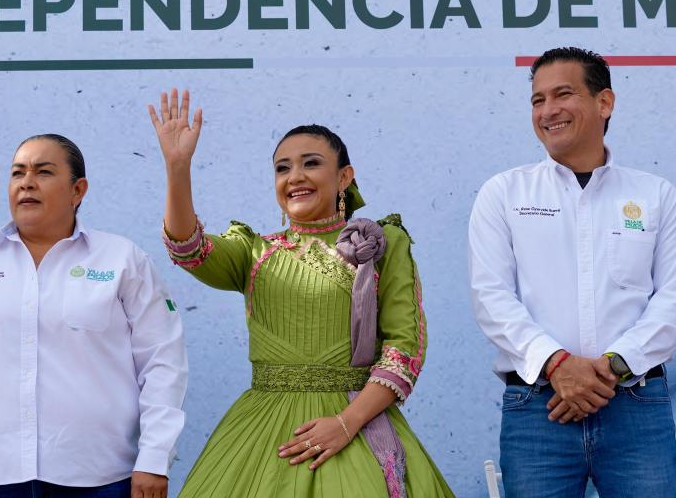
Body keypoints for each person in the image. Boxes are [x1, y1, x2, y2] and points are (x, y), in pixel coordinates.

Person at [149, 89, 453, 497]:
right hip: (262, 435)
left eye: (312, 163)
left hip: (355, 428)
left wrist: (346, 423)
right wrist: (177, 168)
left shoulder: (382, 243)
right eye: (282, 168)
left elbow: (404, 351)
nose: (295, 177)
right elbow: (188, 248)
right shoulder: (253, 250)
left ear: (345, 177)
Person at [468, 46, 676, 497]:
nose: (548, 110)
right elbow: (491, 297)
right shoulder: (503, 193)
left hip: (635, 405)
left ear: (604, 103)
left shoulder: (655, 195)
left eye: (563, 94)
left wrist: (610, 368)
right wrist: (557, 365)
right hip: (539, 409)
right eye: (537, 100)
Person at [0, 134, 187, 498]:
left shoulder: (121, 260)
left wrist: (154, 457)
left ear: (78, 190)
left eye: (43, 172)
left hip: (100, 478)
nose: (26, 182)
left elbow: (163, 361)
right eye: (17, 173)